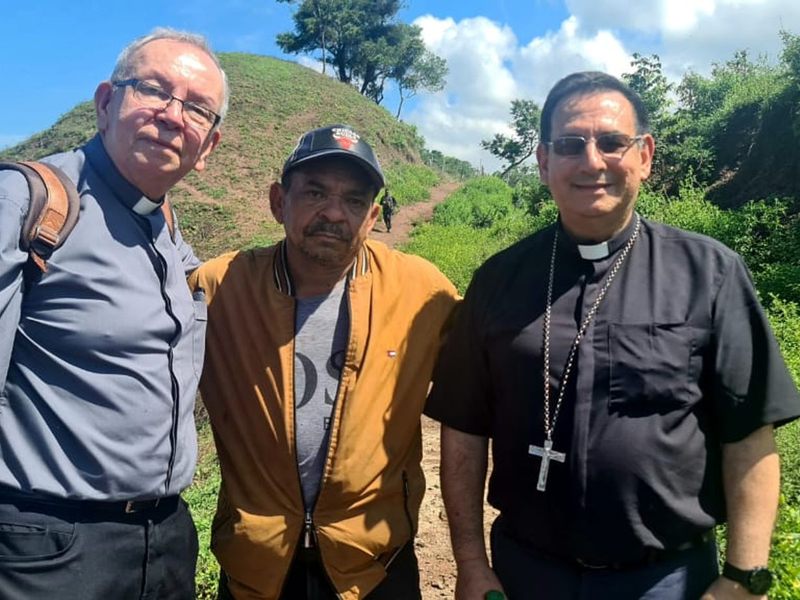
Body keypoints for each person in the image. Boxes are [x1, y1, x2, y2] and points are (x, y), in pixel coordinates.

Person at [425, 72, 800, 600]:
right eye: (570, 145)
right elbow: (464, 431)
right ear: (543, 162)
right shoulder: (498, 280)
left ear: (645, 155)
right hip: (525, 573)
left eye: (612, 142)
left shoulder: (710, 273)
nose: (592, 161)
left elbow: (751, 432)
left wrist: (744, 577)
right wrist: (469, 563)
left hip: (667, 579)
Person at [0, 27, 228, 599]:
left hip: (166, 540)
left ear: (209, 149)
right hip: (51, 550)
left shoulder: (169, 231)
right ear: (106, 103)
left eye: (197, 109)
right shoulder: (29, 204)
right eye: (153, 90)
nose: (174, 116)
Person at [189, 124, 459, 600]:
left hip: (375, 564)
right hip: (257, 564)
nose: (334, 212)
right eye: (315, 192)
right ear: (279, 201)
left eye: (355, 201)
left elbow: (488, 378)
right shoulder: (218, 288)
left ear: (373, 216)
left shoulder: (422, 291)